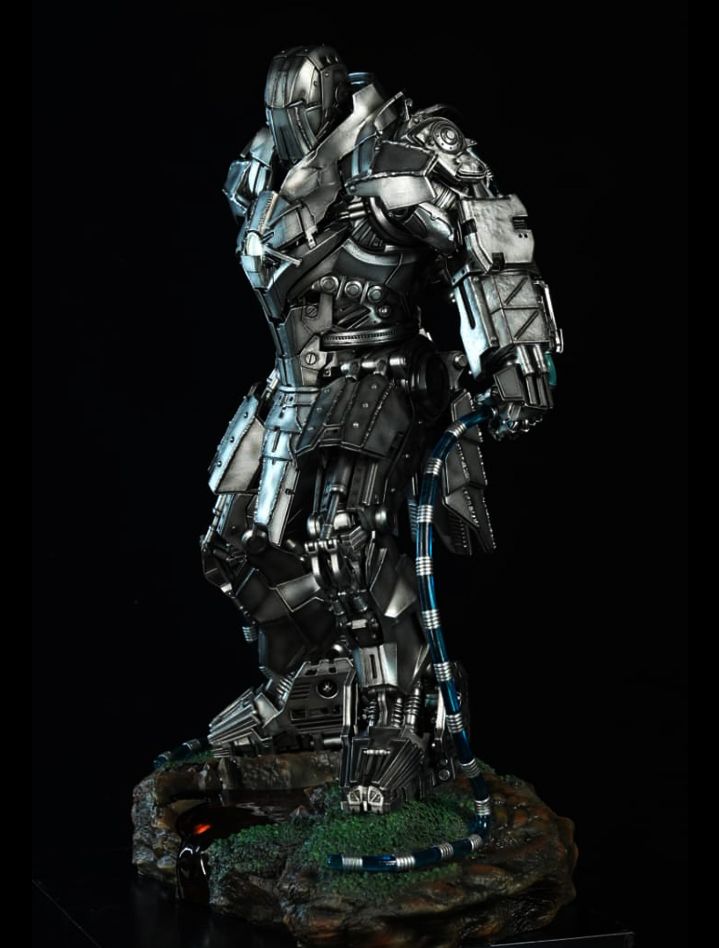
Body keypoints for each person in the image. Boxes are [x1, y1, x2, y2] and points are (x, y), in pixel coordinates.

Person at [200, 44, 562, 815]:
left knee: (346, 543)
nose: (291, 122)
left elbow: (489, 240)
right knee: (235, 545)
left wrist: (516, 360)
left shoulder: (403, 151)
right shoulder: (263, 164)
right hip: (292, 382)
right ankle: (308, 693)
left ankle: (398, 720)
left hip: (379, 374)